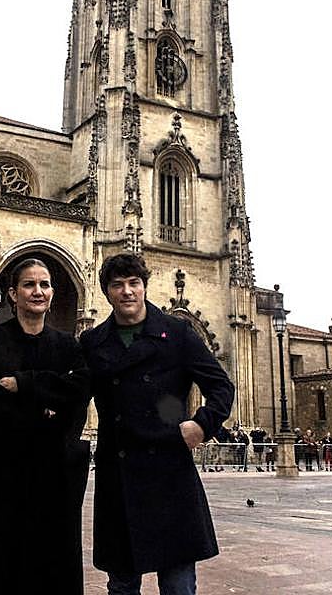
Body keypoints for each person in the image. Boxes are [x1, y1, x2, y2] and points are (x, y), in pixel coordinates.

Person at [80, 253, 234, 595]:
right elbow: (73, 396)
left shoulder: (176, 333)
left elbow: (221, 386)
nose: (127, 291)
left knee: (178, 585)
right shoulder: (93, 342)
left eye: (134, 283)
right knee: (122, 586)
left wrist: (202, 424)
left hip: (168, 471)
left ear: (144, 287)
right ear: (106, 292)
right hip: (118, 474)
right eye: (117, 285)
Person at [0, 258, 91, 595]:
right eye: (29, 284)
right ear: (13, 293)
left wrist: (24, 383)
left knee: (50, 567)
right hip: (1, 472)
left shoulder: (67, 345)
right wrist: (47, 404)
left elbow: (79, 395)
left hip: (52, 474)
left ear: (52, 293)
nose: (38, 291)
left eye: (44, 284)